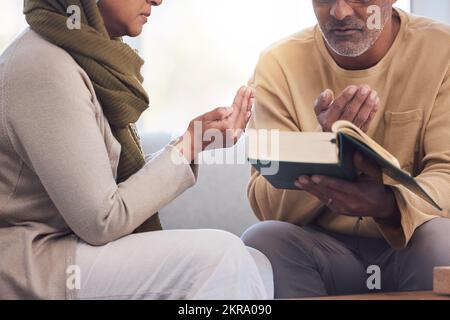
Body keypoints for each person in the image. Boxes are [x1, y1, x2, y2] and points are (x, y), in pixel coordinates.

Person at [0, 0, 273, 299]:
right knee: (223, 257)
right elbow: (101, 219)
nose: (157, 0)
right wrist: (188, 145)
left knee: (256, 264)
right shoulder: (43, 66)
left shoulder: (82, 56)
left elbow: (104, 193)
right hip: (35, 264)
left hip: (68, 249)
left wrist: (195, 142)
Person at [242, 0, 450, 298]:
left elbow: (447, 173)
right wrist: (323, 146)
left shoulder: (442, 50)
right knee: (263, 241)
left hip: (413, 243)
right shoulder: (279, 63)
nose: (339, 12)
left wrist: (390, 204)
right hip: (323, 250)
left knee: (442, 238)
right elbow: (267, 206)